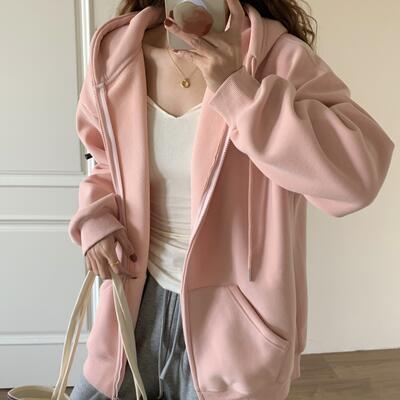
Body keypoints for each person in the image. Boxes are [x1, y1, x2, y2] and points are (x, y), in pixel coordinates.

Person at [68, 0, 395, 399]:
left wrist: (237, 89)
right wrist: (96, 220)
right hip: (133, 300)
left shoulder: (280, 58)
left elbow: (359, 177)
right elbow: (105, 161)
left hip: (237, 326)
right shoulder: (116, 52)